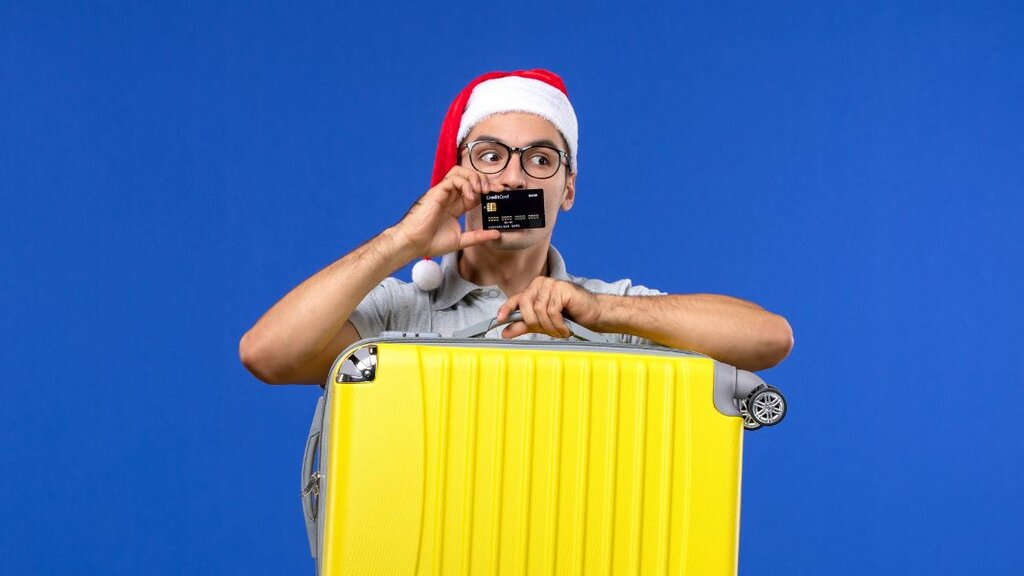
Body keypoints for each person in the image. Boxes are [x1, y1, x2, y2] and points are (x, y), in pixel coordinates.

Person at [239, 69, 793, 385]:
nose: (512, 177)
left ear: (568, 189)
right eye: (490, 156)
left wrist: (603, 312)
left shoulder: (608, 310)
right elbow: (267, 355)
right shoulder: (394, 313)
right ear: (457, 176)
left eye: (540, 160)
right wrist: (402, 240)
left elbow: (768, 340)